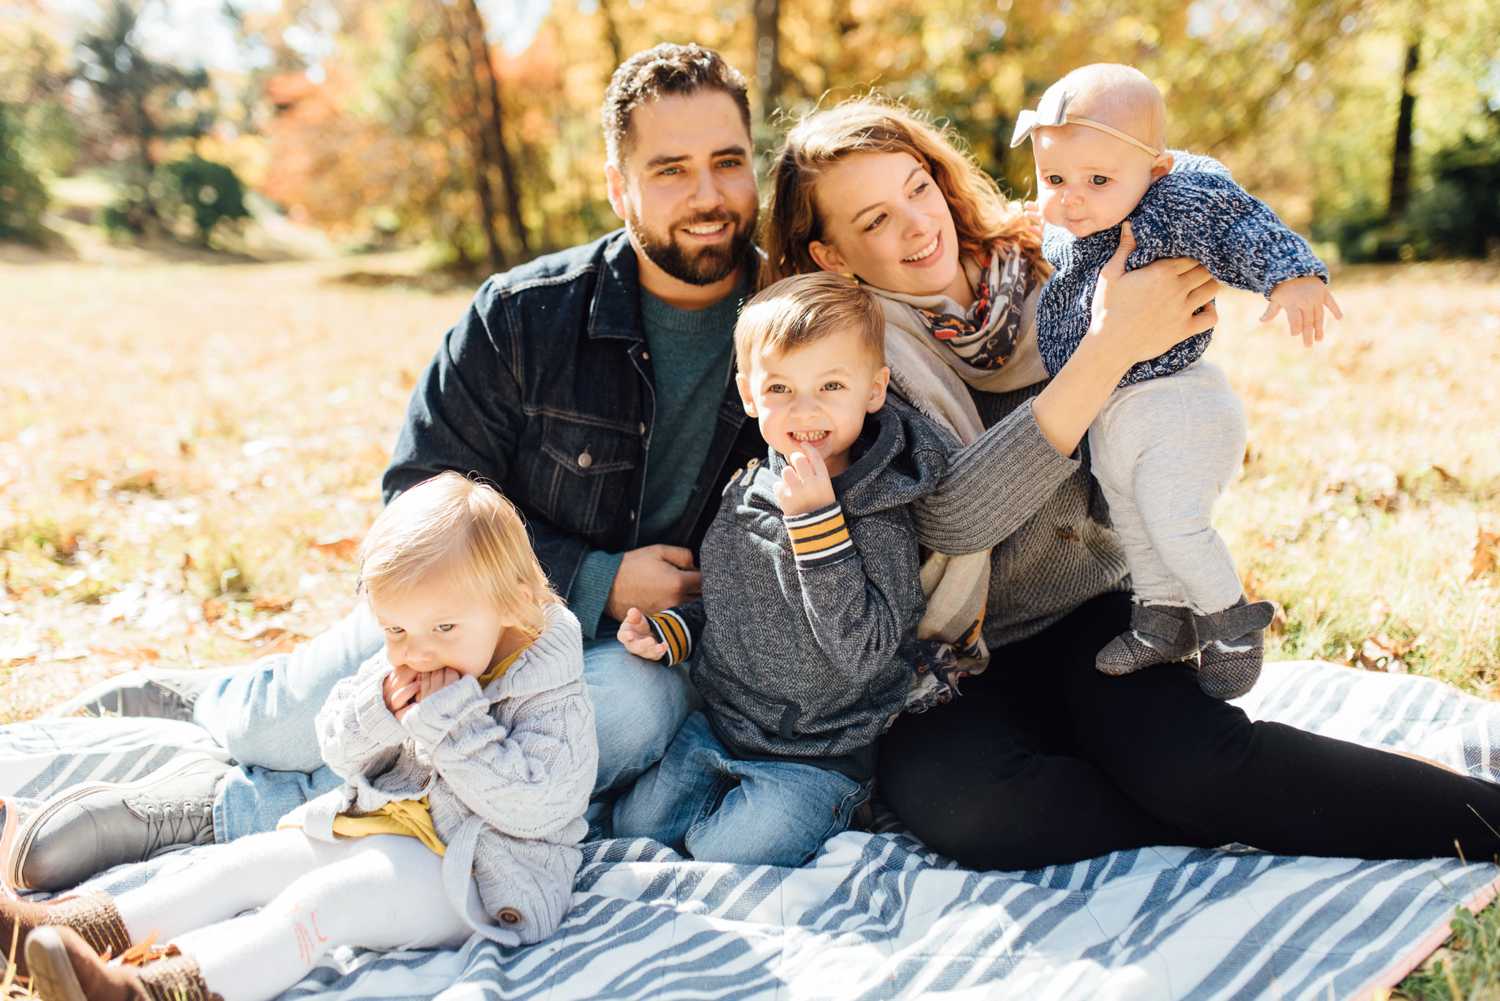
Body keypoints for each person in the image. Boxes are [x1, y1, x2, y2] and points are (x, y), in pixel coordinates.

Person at [9, 42, 764, 892]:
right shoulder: (524, 317)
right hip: (463, 608)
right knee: (288, 724)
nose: (708, 196)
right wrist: (594, 579)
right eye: (671, 170)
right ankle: (211, 702)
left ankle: (219, 811)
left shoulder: (791, 325)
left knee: (627, 716)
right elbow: (418, 491)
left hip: (640, 657)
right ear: (618, 184)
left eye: (727, 162)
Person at [764, 96, 1500, 871]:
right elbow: (953, 516)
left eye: (917, 188)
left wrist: (1262, 280)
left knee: (1201, 764)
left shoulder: (1057, 253)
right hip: (950, 660)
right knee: (977, 813)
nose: (918, 224)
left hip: (1094, 608)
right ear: (832, 257)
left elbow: (1191, 197)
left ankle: (1478, 816)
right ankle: (1176, 803)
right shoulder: (847, 361)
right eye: (875, 220)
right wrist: (1109, 347)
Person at [6, 472, 596, 1001]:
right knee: (236, 867)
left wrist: (454, 723)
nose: (417, 649)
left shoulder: (552, 691)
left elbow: (535, 808)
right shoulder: (413, 657)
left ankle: (151, 990)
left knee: (317, 909)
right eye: (395, 628)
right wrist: (379, 708)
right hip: (381, 827)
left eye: (444, 626)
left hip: (477, 877)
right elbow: (337, 748)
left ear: (514, 604)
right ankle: (54, 933)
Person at [1013, 63, 1343, 697]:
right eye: (1054, 178)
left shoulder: (1173, 204)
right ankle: (1161, 623)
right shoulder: (1075, 218)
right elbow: (1053, 227)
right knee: (1131, 521)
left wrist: (1292, 274)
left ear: (1154, 171)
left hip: (1177, 404)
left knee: (1172, 519)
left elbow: (1238, 223)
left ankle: (1231, 623)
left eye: (1096, 180)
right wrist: (1034, 213)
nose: (1071, 197)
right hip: (1113, 409)